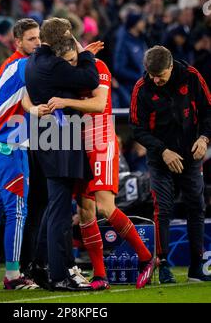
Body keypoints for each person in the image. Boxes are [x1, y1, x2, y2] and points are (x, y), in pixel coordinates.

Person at [47, 36, 156, 290]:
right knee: (85, 210)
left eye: (73, 59)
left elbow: (98, 104)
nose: (71, 65)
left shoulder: (98, 67)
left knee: (106, 207)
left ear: (77, 51)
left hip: (101, 140)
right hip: (77, 142)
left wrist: (65, 101)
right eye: (66, 62)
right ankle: (100, 275)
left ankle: (146, 258)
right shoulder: (66, 72)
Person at [0, 18, 49, 290]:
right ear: (17, 42)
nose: (38, 43)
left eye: (39, 37)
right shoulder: (28, 65)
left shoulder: (7, 65)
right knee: (16, 213)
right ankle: (13, 276)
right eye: (31, 39)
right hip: (10, 149)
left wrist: (4, 120)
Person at [26, 17, 99, 291]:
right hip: (60, 137)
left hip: (44, 137)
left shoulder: (34, 61)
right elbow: (90, 78)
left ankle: (42, 265)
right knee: (58, 210)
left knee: (53, 207)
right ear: (62, 38)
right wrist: (86, 53)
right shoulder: (53, 65)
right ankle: (59, 275)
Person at [129, 45, 211, 283]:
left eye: (160, 76)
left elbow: (208, 111)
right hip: (159, 158)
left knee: (196, 207)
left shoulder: (192, 77)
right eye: (152, 75)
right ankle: (163, 265)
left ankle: (197, 267)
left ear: (171, 66)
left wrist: (204, 138)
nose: (156, 80)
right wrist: (163, 151)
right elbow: (137, 129)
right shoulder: (141, 88)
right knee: (162, 208)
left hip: (191, 155)